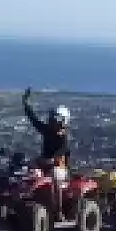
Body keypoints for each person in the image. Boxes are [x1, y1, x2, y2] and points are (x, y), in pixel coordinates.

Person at [22, 88, 71, 222]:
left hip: (60, 168)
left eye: (55, 119)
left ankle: (58, 210)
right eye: (52, 118)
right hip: (45, 164)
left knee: (55, 175)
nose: (52, 121)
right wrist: (26, 104)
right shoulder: (48, 131)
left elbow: (61, 152)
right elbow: (34, 121)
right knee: (25, 170)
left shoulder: (63, 137)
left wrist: (50, 160)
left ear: (63, 121)